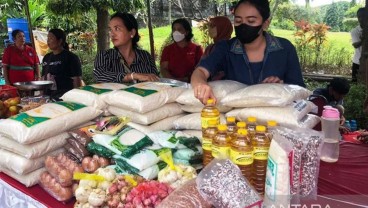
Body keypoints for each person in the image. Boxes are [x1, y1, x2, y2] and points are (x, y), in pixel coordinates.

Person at [190, 0, 305, 104]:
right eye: (238, 20)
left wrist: (280, 88)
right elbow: (200, 71)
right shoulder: (225, 48)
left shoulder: (284, 49)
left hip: (275, 119)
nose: (243, 25)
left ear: (265, 24)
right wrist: (200, 84)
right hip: (236, 118)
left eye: (251, 21)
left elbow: (299, 91)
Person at [94, 12, 159, 83]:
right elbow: (99, 76)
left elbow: (154, 80)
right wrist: (132, 76)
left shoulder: (145, 57)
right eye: (110, 30)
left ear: (132, 33)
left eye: (117, 29)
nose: (112, 34)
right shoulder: (104, 56)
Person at [41, 29, 82, 99]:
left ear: (60, 41)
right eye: (47, 38)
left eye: (51, 38)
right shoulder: (46, 57)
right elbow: (43, 78)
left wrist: (76, 97)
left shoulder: (71, 57)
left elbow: (77, 79)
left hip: (65, 96)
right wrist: (42, 95)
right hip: (48, 96)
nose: (48, 41)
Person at [160, 18, 203, 82]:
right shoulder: (168, 49)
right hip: (172, 84)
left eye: (179, 29)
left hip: (191, 83)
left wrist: (186, 79)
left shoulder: (197, 49)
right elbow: (163, 69)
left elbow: (200, 69)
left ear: (187, 32)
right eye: (174, 29)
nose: (176, 32)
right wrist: (175, 81)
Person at [204, 16, 233, 81]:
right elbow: (201, 69)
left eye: (212, 26)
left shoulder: (233, 48)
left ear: (222, 27)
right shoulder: (210, 48)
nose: (209, 29)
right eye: (209, 26)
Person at [350, 8, 366, 83]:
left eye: (364, 16)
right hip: (357, 62)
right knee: (355, 83)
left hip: (366, 61)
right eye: (359, 17)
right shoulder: (355, 31)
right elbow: (355, 45)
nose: (361, 19)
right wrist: (363, 39)